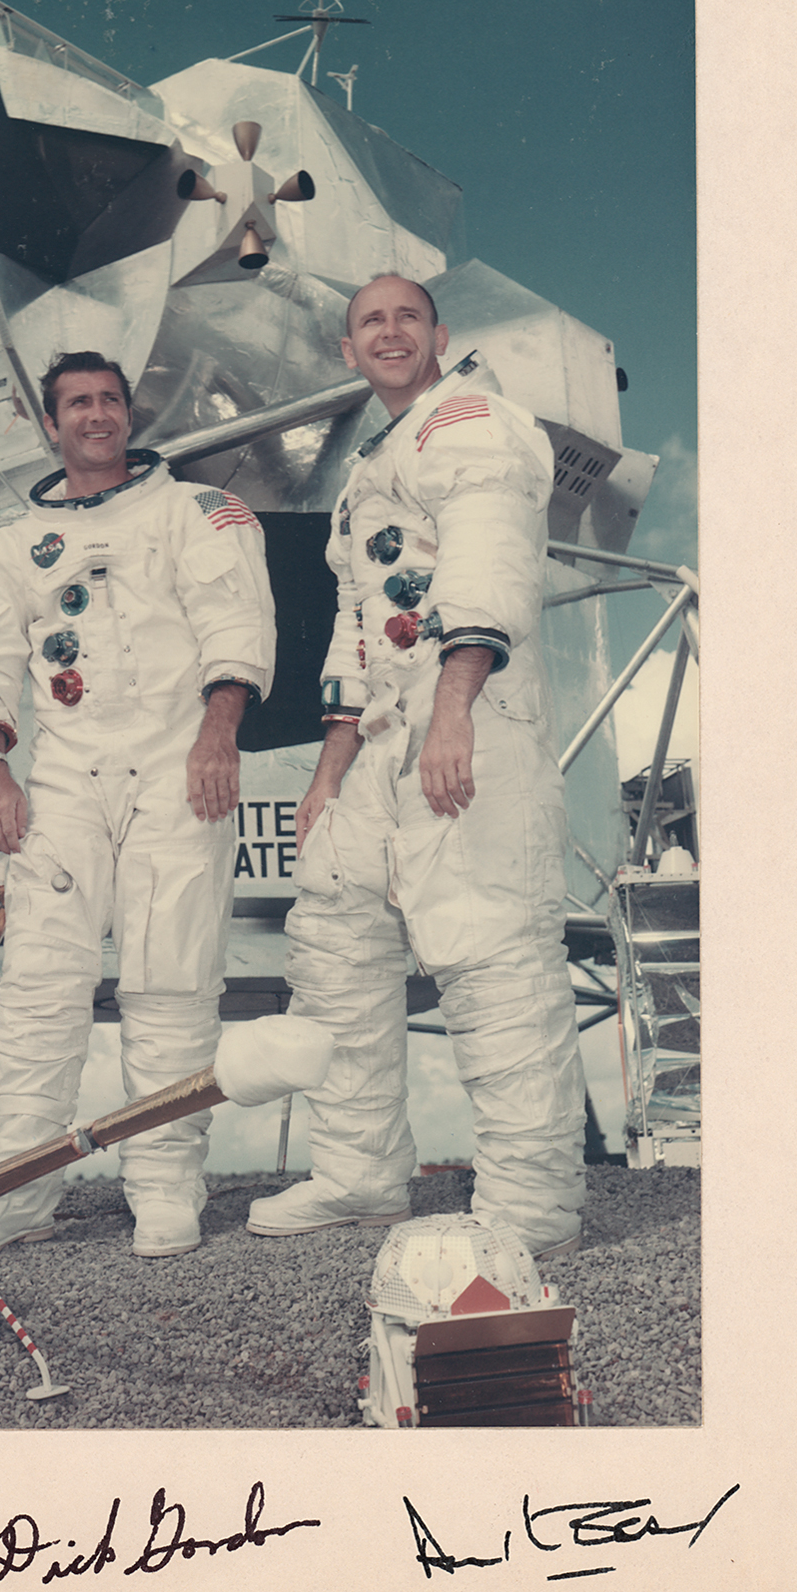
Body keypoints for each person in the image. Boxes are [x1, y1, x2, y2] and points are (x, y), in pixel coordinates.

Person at [246, 275, 587, 1257]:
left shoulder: (471, 422)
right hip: (384, 741)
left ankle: (529, 1207)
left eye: (406, 317)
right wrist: (329, 770)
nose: (389, 332)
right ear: (347, 351)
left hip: (472, 721)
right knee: (333, 933)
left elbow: (485, 560)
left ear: (440, 335)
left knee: (488, 951)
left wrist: (453, 711)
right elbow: (359, 629)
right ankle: (359, 1173)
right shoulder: (374, 467)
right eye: (370, 322)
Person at [0, 351, 276, 1258]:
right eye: (77, 404)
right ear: (48, 424)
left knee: (171, 978)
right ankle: (17, 1189)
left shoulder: (199, 513)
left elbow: (235, 626)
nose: (96, 415)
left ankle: (164, 1183)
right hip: (64, 776)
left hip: (179, 763)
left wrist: (219, 736)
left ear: (129, 413)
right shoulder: (4, 552)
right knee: (40, 986)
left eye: (109, 401)